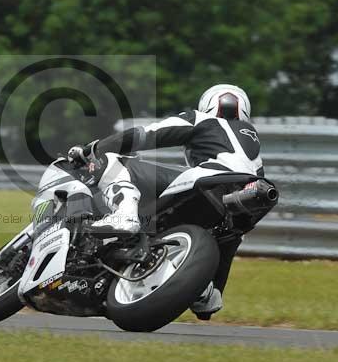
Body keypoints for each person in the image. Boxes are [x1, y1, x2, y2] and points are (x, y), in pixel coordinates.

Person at [67, 84, 263, 319]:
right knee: (229, 235)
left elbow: (147, 134)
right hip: (249, 196)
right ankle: (205, 292)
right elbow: (230, 244)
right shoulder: (253, 145)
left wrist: (93, 149)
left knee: (113, 159)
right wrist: (216, 288)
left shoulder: (200, 119)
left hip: (207, 178)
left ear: (209, 104)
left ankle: (125, 213)